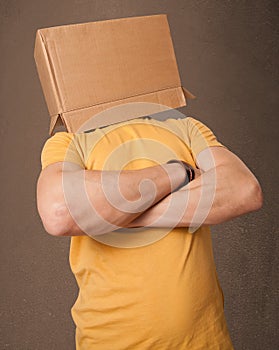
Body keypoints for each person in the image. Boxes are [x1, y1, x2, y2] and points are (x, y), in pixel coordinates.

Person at [36, 115, 263, 349]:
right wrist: (178, 172)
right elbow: (60, 213)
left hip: (208, 342)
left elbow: (245, 190)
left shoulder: (186, 128)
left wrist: (116, 213)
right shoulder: (68, 142)